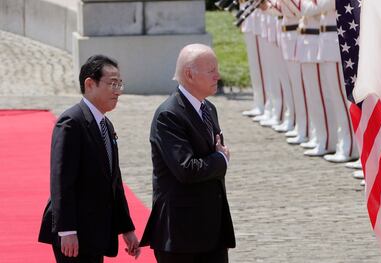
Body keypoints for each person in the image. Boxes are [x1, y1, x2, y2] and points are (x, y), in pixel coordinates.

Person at [38, 55, 140, 262]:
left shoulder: (106, 125)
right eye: (112, 83)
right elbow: (61, 181)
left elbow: (115, 181)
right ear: (90, 84)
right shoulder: (71, 122)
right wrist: (66, 230)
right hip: (75, 231)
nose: (118, 90)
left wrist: (126, 228)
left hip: (97, 231)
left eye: (120, 83)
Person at [140, 44, 236, 263]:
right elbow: (187, 169)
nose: (217, 75)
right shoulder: (169, 115)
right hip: (181, 235)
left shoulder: (209, 109)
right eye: (211, 70)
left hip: (212, 230)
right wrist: (221, 159)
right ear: (189, 74)